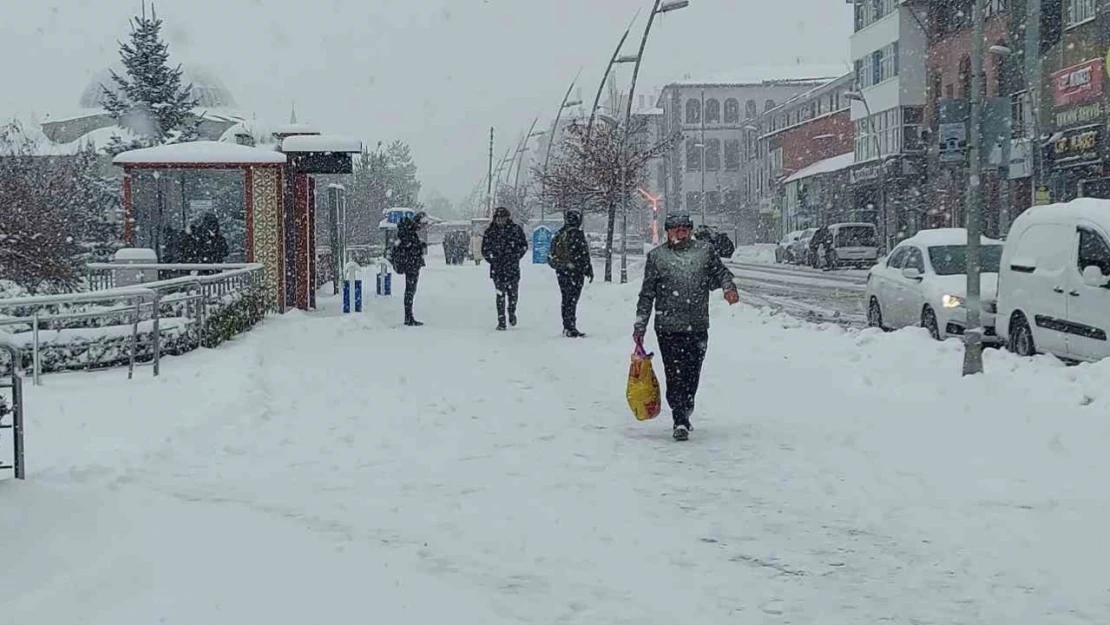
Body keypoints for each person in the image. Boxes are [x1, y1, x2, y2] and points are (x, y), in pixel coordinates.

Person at [633, 213, 739, 441]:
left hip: (697, 324)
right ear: (668, 232)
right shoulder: (657, 257)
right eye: (676, 229)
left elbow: (722, 273)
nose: (680, 233)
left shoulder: (704, 252)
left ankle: (687, 405)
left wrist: (729, 287)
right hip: (668, 327)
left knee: (692, 372)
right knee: (674, 373)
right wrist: (640, 325)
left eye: (685, 229)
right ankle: (679, 417)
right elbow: (647, 294)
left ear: (690, 231)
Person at [547, 209, 593, 337]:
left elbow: (552, 253)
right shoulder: (577, 234)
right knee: (572, 299)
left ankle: (567, 325)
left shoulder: (559, 234)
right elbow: (584, 254)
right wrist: (588, 268)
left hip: (562, 271)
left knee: (566, 298)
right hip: (576, 272)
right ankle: (570, 326)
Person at [481, 206, 529, 331]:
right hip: (497, 269)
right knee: (500, 295)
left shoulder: (516, 230)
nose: (501, 220)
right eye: (498, 218)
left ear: (507, 218)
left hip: (512, 267)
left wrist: (516, 256)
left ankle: (511, 312)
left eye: (503, 218)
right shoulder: (490, 232)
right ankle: (501, 320)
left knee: (513, 294)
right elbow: (484, 250)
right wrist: (492, 259)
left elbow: (524, 245)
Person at [392, 212, 429, 326]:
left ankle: (409, 316)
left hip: (410, 265)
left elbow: (407, 246)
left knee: (410, 291)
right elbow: (409, 248)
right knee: (410, 291)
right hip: (411, 266)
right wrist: (418, 248)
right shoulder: (410, 232)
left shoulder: (408, 230)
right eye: (424, 224)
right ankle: (408, 317)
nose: (424, 227)